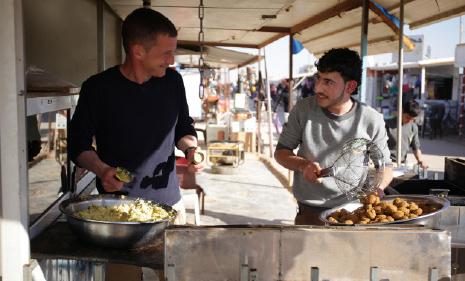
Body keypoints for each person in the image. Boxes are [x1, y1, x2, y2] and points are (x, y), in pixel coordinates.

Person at [69, 8, 204, 225]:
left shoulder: (173, 82)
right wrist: (102, 170)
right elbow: (78, 145)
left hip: (169, 206)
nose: (171, 60)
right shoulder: (98, 88)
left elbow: (183, 128)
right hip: (117, 210)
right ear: (138, 51)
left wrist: (191, 149)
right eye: (166, 53)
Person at [274, 48, 393, 225]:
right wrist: (303, 165)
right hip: (310, 213)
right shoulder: (303, 110)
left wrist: (378, 187)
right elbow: (281, 152)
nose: (318, 88)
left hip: (355, 213)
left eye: (328, 82)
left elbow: (386, 166)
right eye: (318, 79)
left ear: (350, 86)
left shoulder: (371, 119)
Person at [385, 100, 428, 169]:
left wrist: (420, 160)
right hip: (386, 163)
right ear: (401, 111)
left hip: (402, 164)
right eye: (407, 117)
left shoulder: (413, 127)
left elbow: (416, 147)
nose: (409, 121)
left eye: (412, 119)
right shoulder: (387, 124)